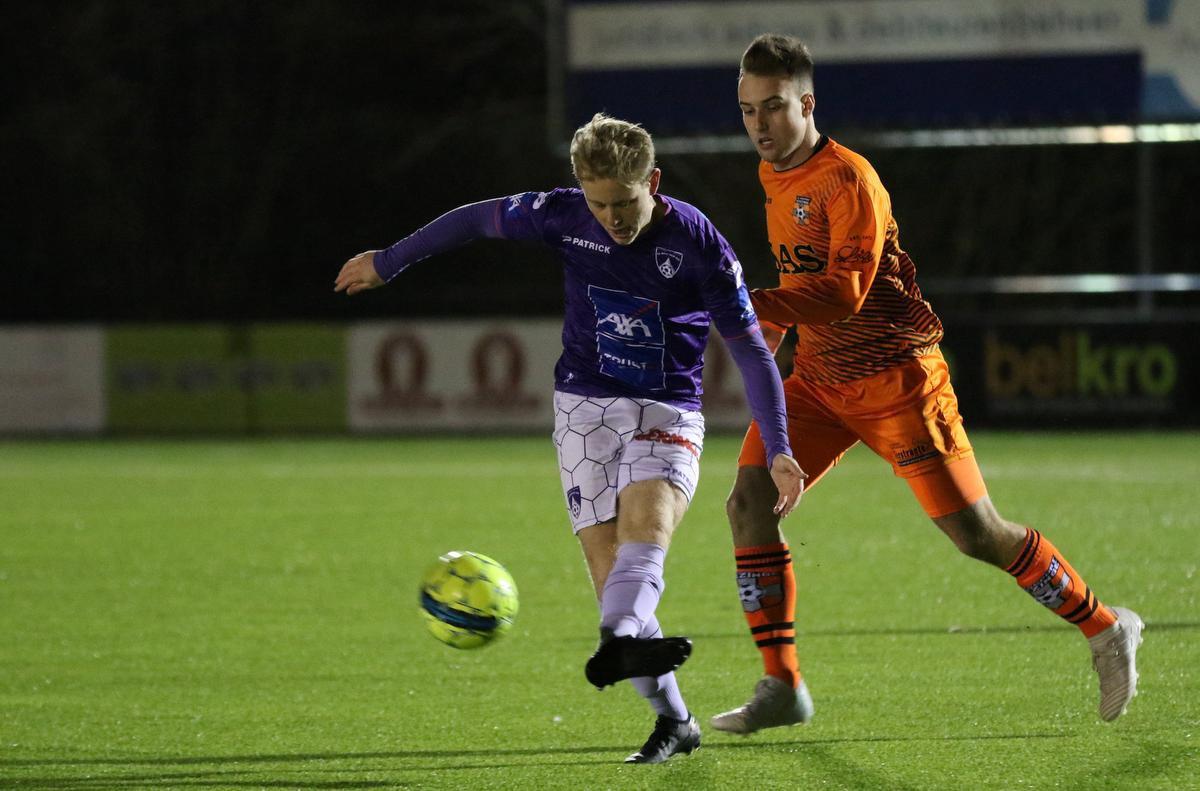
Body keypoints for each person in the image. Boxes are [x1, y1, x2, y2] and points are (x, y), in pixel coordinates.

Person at [335, 113, 806, 763]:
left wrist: (779, 446)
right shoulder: (560, 216)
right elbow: (474, 219)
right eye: (599, 203)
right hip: (583, 410)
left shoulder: (698, 242)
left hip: (665, 409)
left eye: (626, 202)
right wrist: (390, 262)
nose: (613, 217)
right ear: (581, 190)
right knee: (608, 568)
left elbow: (752, 352)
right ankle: (675, 718)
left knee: (647, 523)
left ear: (655, 181)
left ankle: (616, 640)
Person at [710, 33, 1144, 734]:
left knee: (976, 533)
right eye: (747, 110)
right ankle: (782, 683)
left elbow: (847, 291)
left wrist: (749, 304)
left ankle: (1104, 625)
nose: (759, 124)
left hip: (898, 382)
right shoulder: (774, 176)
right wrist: (769, 343)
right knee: (747, 501)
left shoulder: (848, 179)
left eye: (774, 107)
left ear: (808, 103)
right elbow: (802, 284)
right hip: (820, 381)